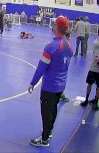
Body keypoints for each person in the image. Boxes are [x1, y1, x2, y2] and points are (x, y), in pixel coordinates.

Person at [28, 16, 73, 147]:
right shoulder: (68, 45)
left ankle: (44, 139)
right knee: (53, 109)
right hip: (60, 85)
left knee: (46, 112)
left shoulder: (51, 47)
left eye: (54, 25)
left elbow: (41, 67)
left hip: (49, 86)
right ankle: (49, 131)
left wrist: (32, 82)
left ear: (57, 28)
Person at [80, 29, 99, 110]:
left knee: (96, 86)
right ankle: (89, 99)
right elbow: (97, 57)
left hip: (94, 68)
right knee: (90, 84)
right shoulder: (96, 43)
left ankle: (95, 100)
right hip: (94, 67)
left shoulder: (96, 42)